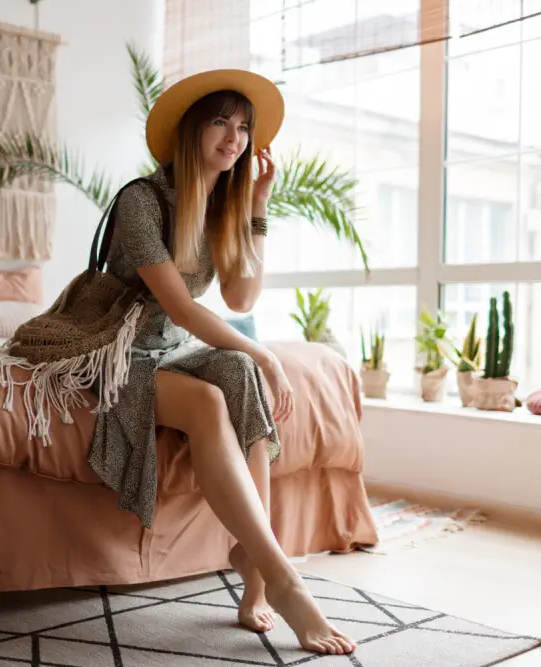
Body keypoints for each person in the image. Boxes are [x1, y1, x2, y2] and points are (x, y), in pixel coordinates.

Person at [84, 68, 357, 656]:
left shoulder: (219, 204)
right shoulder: (141, 199)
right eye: (219, 121)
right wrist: (265, 352)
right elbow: (180, 307)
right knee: (216, 394)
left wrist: (257, 208)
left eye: (242, 127)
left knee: (240, 378)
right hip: (116, 346)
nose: (233, 137)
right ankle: (283, 578)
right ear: (191, 130)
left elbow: (240, 300)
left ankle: (253, 577)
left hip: (170, 348)